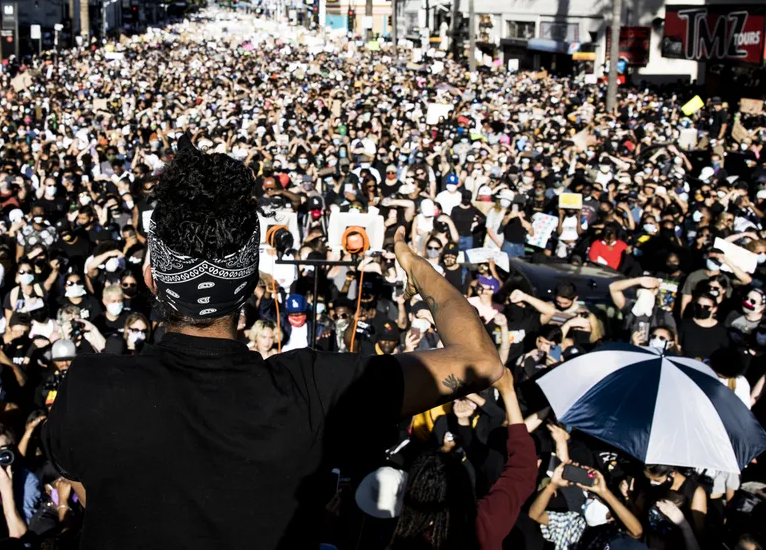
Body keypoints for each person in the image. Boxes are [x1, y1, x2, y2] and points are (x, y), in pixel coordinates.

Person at [42, 135, 503, 549]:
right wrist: (413, 263)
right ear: (248, 286)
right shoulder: (314, 389)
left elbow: (83, 484)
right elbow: (481, 360)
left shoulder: (90, 385)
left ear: (151, 278)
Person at [389, 369, 536, 550]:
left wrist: (470, 399)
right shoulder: (481, 526)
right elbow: (522, 470)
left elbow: (498, 419)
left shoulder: (402, 537)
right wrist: (508, 391)